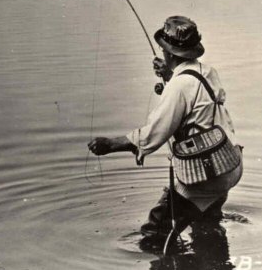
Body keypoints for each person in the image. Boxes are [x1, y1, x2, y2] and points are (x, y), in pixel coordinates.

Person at [87, 15, 242, 241]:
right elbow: (194, 98)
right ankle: (213, 269)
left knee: (154, 234)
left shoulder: (178, 87)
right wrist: (170, 75)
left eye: (164, 51)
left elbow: (154, 134)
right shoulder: (208, 72)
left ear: (169, 53)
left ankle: (172, 269)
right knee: (206, 226)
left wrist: (111, 145)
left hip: (203, 176)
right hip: (227, 165)